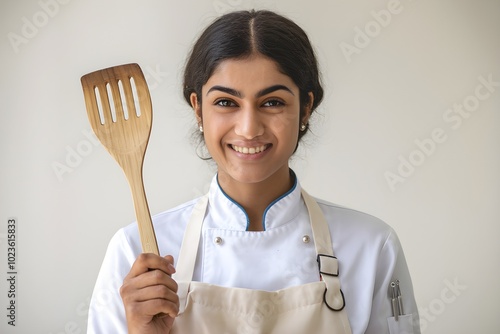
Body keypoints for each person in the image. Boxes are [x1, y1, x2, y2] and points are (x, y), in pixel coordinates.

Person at [87, 9, 421, 334]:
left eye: (272, 102)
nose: (248, 129)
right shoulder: (136, 252)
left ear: (306, 107)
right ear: (198, 109)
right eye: (225, 102)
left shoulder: (371, 246)